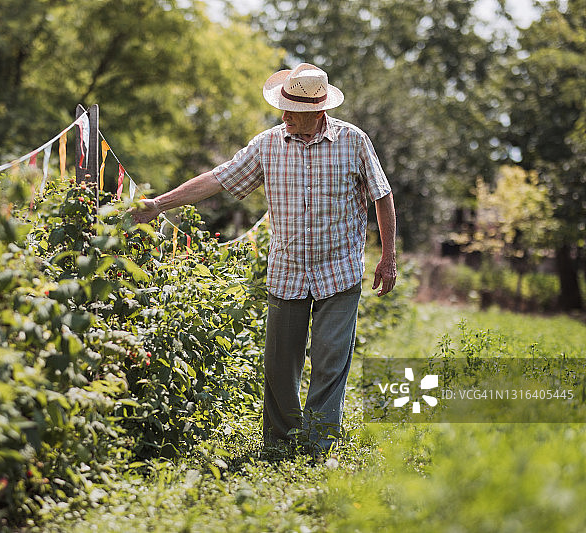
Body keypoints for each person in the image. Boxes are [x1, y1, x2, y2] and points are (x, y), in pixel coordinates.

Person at [132, 63, 397, 454]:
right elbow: (219, 178)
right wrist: (159, 203)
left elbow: (382, 195)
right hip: (288, 272)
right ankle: (280, 443)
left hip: (339, 270)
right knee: (278, 368)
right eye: (284, 105)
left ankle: (316, 446)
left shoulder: (354, 141)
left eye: (293, 109)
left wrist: (388, 258)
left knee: (329, 364)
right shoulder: (268, 144)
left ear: (319, 110)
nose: (285, 115)